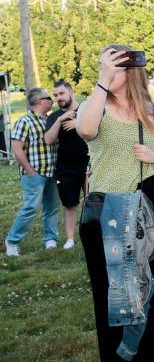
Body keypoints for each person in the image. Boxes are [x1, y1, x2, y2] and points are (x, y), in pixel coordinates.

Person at [76, 45, 154, 362]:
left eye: (116, 67)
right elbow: (87, 131)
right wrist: (103, 80)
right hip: (108, 209)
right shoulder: (94, 107)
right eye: (105, 67)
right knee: (112, 291)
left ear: (132, 71)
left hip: (151, 203)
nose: (109, 72)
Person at [4, 87, 58, 256]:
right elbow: (17, 149)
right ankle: (12, 241)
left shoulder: (49, 120)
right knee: (31, 208)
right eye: (48, 97)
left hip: (52, 172)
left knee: (52, 208)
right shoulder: (24, 121)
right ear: (39, 101)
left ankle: (50, 240)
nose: (52, 100)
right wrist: (30, 171)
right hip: (35, 174)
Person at [43, 79, 89, 250]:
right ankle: (70, 239)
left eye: (61, 93)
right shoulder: (55, 116)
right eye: (55, 95)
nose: (58, 98)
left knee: (93, 201)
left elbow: (97, 131)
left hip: (90, 165)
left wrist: (78, 124)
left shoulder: (86, 110)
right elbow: (48, 140)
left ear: (71, 92)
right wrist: (60, 120)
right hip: (65, 168)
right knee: (69, 204)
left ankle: (96, 233)